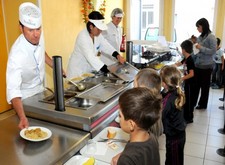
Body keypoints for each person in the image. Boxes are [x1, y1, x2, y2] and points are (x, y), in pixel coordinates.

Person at [6, 2, 55, 130]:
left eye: (38, 29)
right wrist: (22, 116)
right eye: (31, 30)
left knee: (48, 127)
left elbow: (41, 51)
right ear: (21, 28)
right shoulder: (16, 54)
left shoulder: (38, 35)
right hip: (25, 99)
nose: (36, 34)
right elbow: (13, 89)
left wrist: (54, 66)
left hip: (40, 91)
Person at [67, 11, 125, 79]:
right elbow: (91, 57)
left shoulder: (97, 35)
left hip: (87, 70)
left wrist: (117, 55)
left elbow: (105, 45)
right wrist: (108, 70)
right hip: (77, 71)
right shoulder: (83, 37)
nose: (100, 31)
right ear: (91, 26)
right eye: (98, 29)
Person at [111, 87, 161, 165]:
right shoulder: (152, 137)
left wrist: (124, 159)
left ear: (131, 124)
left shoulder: (126, 159)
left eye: (120, 115)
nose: (118, 118)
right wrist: (123, 155)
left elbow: (133, 156)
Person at [160, 65, 186, 165]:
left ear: (164, 83)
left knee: (173, 161)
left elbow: (159, 114)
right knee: (174, 158)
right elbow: (163, 94)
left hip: (174, 136)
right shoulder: (176, 91)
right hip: (178, 133)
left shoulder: (169, 99)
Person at [192, 18, 217, 110]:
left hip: (206, 67)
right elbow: (196, 48)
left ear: (203, 26)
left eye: (198, 27)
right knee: (196, 86)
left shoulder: (211, 37)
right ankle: (193, 103)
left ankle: (202, 105)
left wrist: (201, 48)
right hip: (198, 65)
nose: (197, 29)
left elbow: (213, 51)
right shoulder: (201, 36)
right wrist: (194, 42)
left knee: (204, 88)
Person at [134, 68, 163, 137]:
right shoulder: (155, 101)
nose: (133, 89)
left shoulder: (145, 108)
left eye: (135, 86)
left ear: (143, 88)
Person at [175, 40, 196, 124]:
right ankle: (187, 115)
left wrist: (182, 78)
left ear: (184, 50)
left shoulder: (190, 60)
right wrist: (172, 65)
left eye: (181, 49)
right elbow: (180, 63)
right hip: (188, 82)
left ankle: (189, 118)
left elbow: (192, 74)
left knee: (189, 100)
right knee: (186, 99)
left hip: (191, 83)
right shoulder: (186, 58)